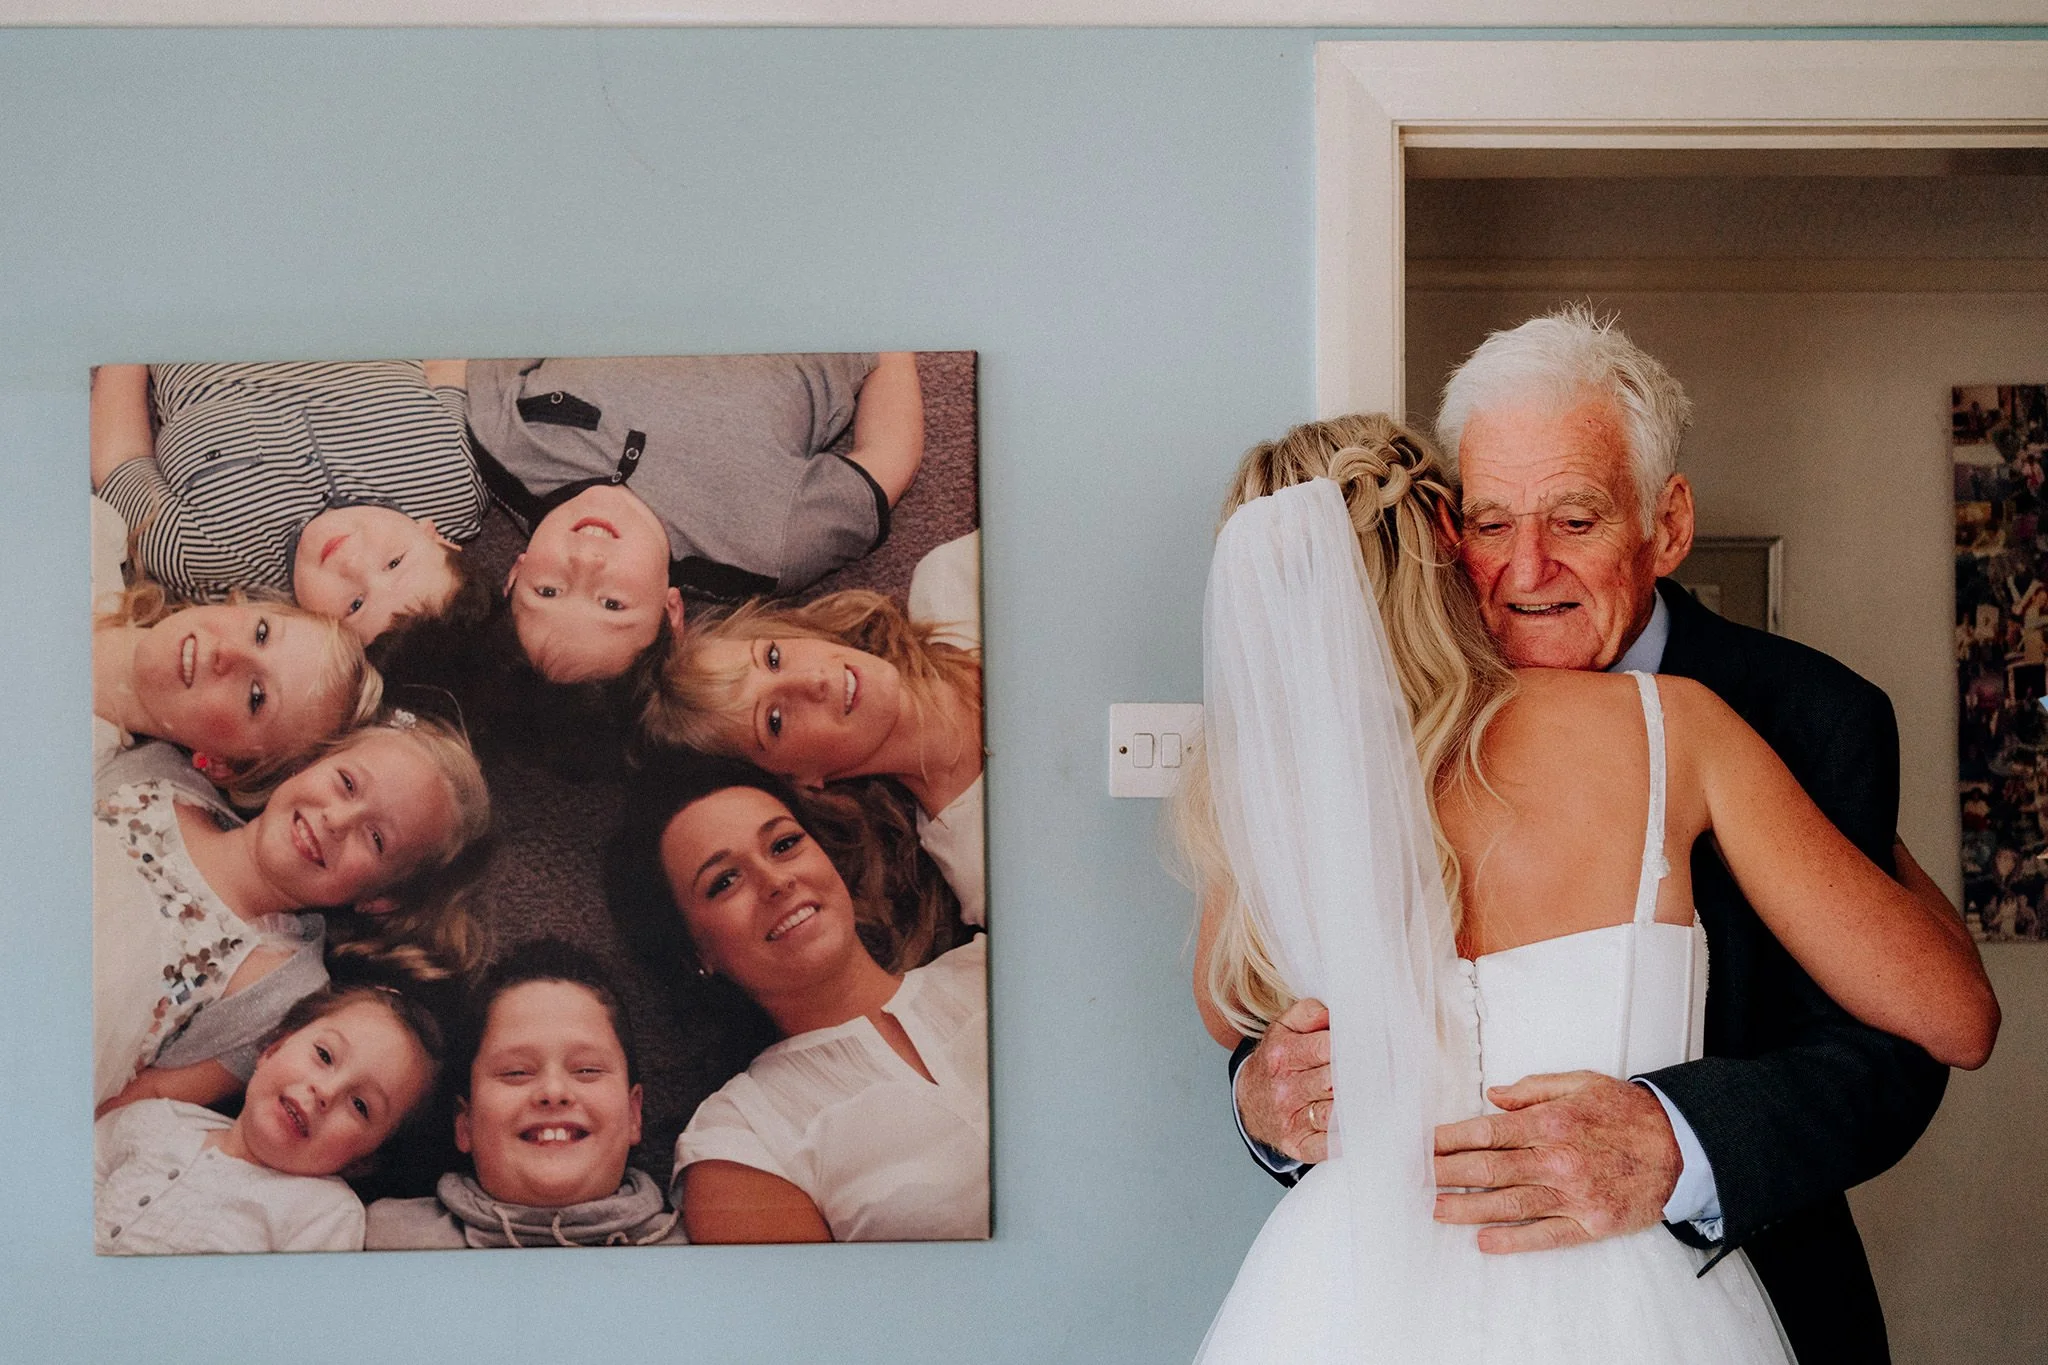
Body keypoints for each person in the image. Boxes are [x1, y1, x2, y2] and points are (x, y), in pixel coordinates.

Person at [1229, 311, 1965, 1361]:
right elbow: (1265, 1020)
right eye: (1489, 523)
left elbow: (1891, 1048)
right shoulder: (1364, 734)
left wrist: (1680, 1140)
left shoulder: (1802, 712)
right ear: (1443, 529)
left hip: (1723, 1287)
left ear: (1664, 526)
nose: (1525, 571)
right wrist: (1267, 1100)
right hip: (1381, 1300)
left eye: (1572, 520)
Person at [607, 754, 988, 1243]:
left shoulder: (996, 969)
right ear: (694, 953)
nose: (776, 881)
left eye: (784, 844)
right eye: (725, 882)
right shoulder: (742, 1140)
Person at [93, 711, 491, 1115]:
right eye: (347, 784)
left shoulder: (283, 990)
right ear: (308, 762)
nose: (336, 820)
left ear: (381, 897)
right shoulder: (155, 773)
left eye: (375, 839)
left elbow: (143, 1104)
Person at [468, 351, 925, 684]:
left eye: (548, 590)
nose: (586, 562)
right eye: (613, 604)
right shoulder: (765, 550)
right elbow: (888, 455)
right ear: (672, 614)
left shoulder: (504, 443)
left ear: (515, 572)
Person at [90, 361, 493, 653]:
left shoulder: (205, 553)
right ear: (438, 537)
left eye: (354, 605)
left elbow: (119, 461)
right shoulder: (453, 488)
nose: (351, 561)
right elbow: (444, 369)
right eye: (394, 562)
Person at [641, 586, 986, 926]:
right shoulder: (981, 861)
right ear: (797, 781)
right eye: (774, 721)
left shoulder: (953, 583)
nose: (814, 679)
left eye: (772, 658)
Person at [365, 938, 686, 1249]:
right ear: (465, 1123)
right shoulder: (378, 1241)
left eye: (586, 1070)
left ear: (633, 1114)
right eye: (516, 1072)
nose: (553, 1092)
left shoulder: (696, 1257)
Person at [94, 981, 446, 1254]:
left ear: (364, 1162)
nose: (326, 1092)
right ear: (272, 1049)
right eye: (324, 1055)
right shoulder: (154, 1120)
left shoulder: (323, 1211)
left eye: (360, 1106)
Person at [92, 581, 383, 797]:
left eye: (256, 697)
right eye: (261, 633)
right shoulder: (94, 535)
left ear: (222, 764)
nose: (228, 651)